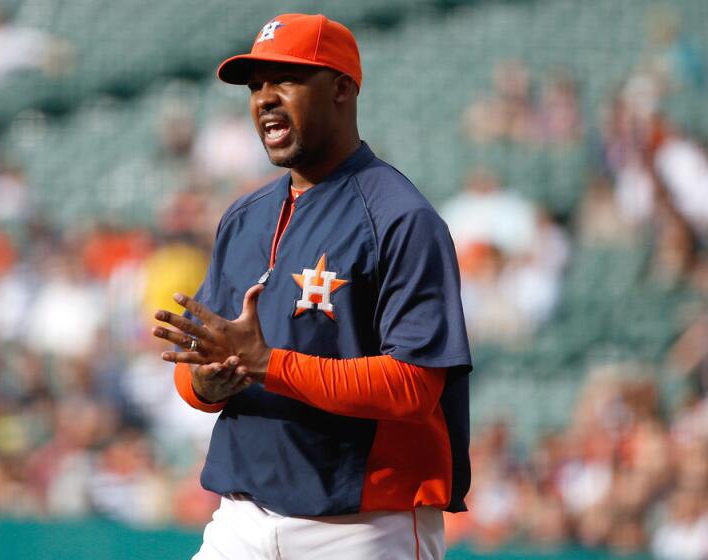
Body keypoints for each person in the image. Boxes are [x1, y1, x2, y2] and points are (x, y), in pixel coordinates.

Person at [152, 13, 472, 560]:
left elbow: (415, 387)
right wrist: (207, 384)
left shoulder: (401, 218)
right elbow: (195, 372)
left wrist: (269, 365)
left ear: (342, 89)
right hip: (242, 518)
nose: (264, 99)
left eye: (287, 79)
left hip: (362, 527)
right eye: (256, 86)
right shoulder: (244, 215)